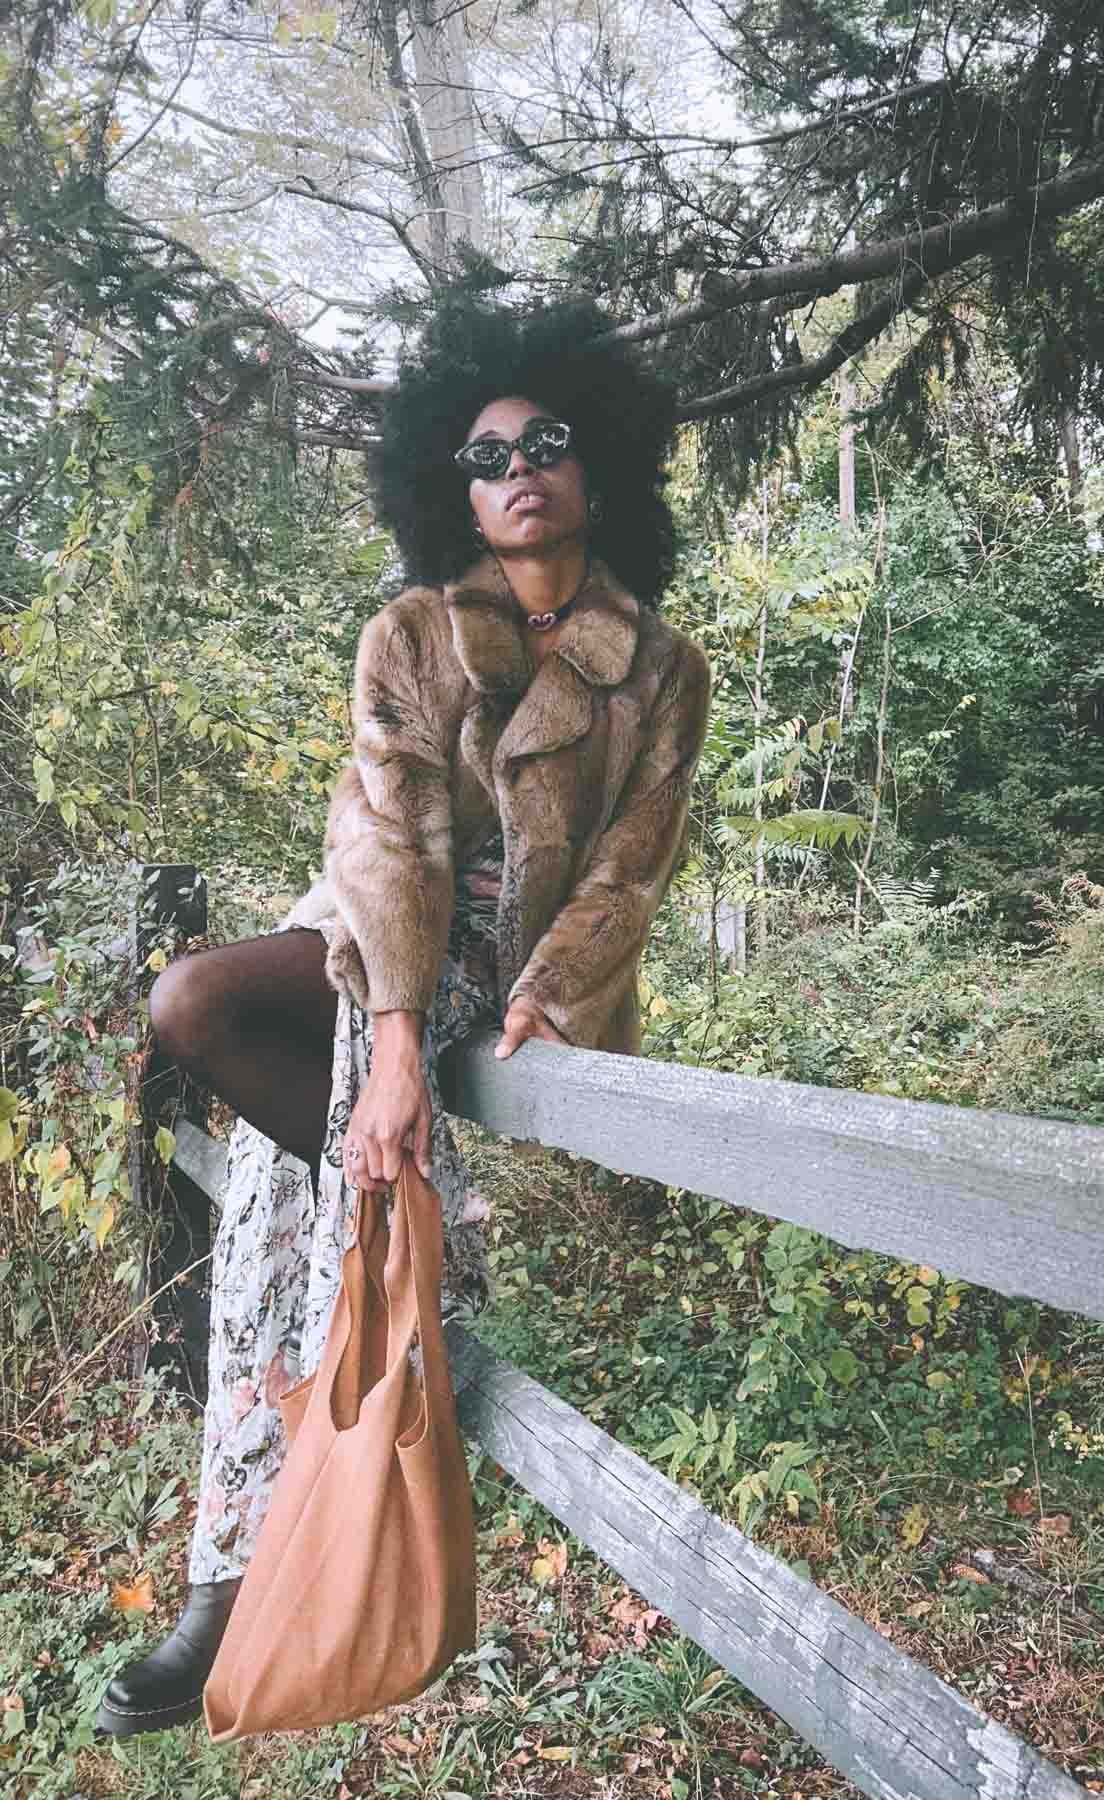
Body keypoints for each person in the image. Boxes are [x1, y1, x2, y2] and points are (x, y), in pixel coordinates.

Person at [96, 299, 711, 1737]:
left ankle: (233, 1591)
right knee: (197, 1008)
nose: (518, 469)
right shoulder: (411, 631)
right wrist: (387, 1048)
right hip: (378, 939)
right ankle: (238, 1559)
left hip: (518, 965)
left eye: (547, 443)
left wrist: (551, 992)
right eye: (485, 452)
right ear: (455, 485)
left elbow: (633, 863)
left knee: (288, 1175)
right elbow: (391, 844)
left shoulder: (662, 667)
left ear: (598, 470)